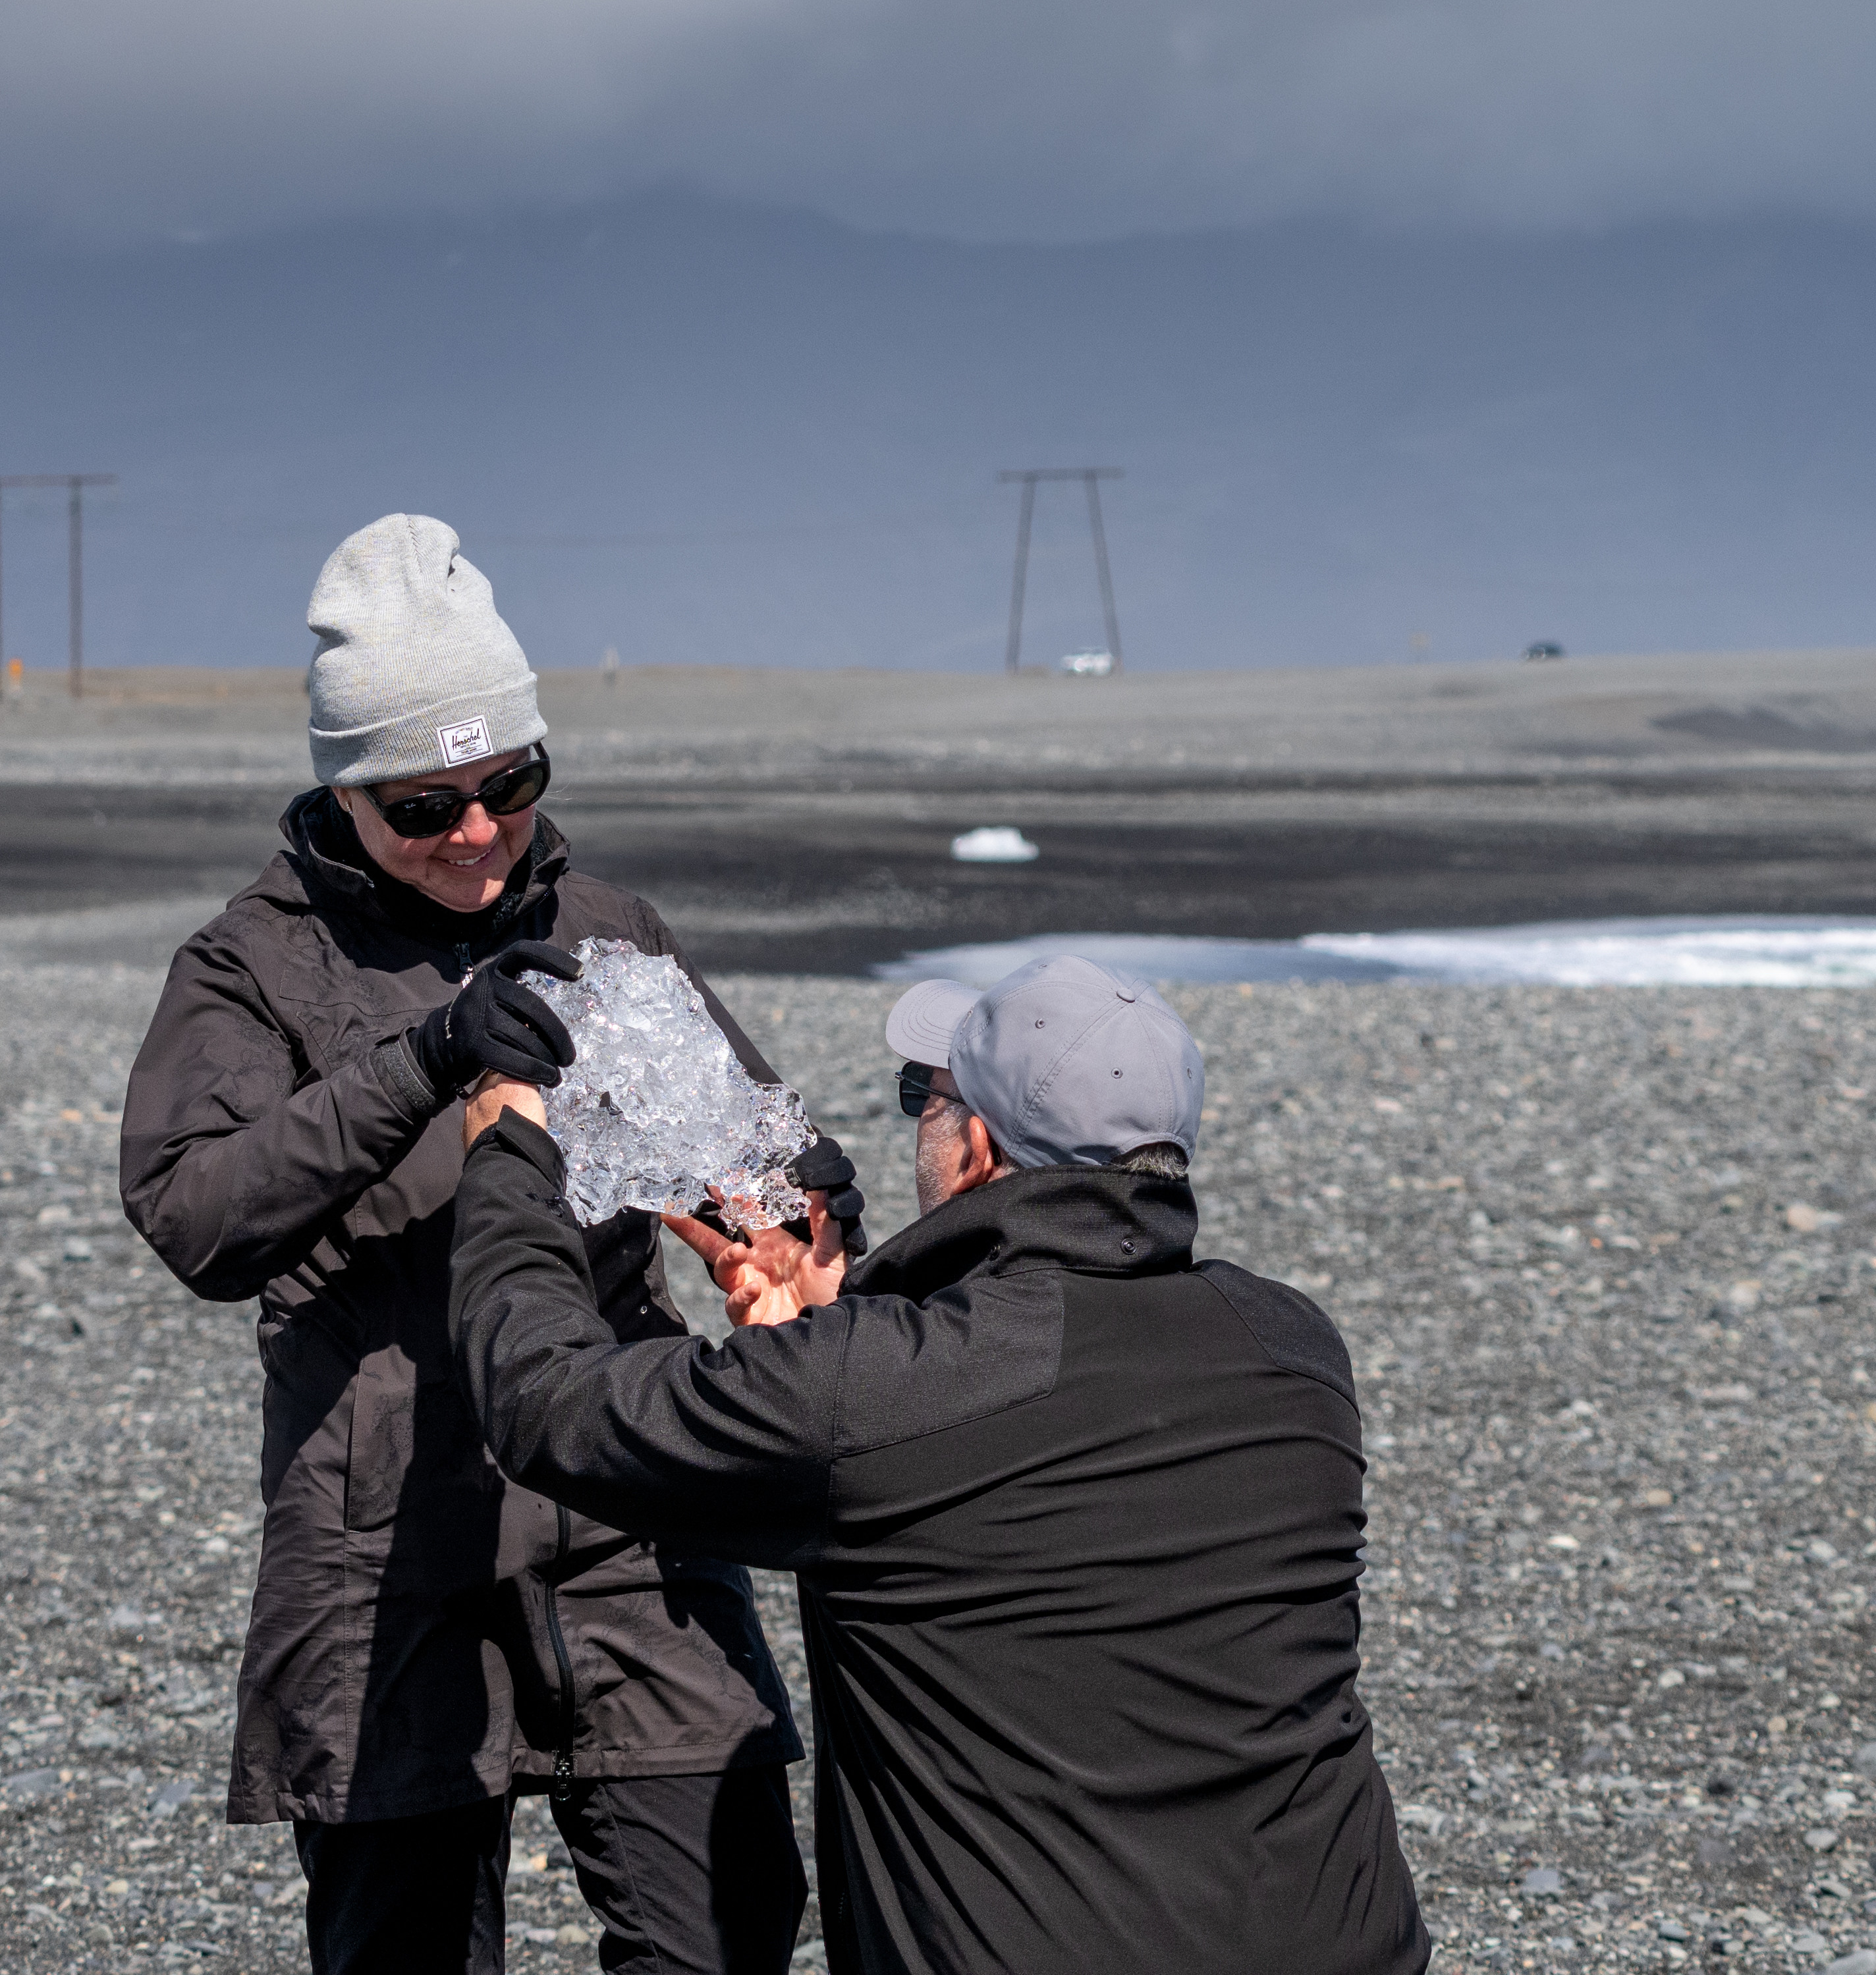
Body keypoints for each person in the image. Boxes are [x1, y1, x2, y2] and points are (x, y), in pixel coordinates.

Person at [120, 514, 858, 1975]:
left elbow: (757, 1160)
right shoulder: (249, 962)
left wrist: (796, 1211)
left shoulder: (606, 929)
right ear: (345, 795)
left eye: (508, 783)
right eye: (424, 802)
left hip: (624, 1491)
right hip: (379, 1526)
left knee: (728, 1921)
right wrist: (424, 1062)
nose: (475, 830)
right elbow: (195, 1214)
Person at [448, 953, 1431, 1975]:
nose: (918, 1112)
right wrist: (843, 1324)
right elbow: (1006, 1456)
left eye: (927, 1092)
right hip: (1342, 1938)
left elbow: (548, 1404)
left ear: (976, 1150)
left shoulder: (881, 1391)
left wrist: (512, 1147)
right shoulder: (1292, 1346)